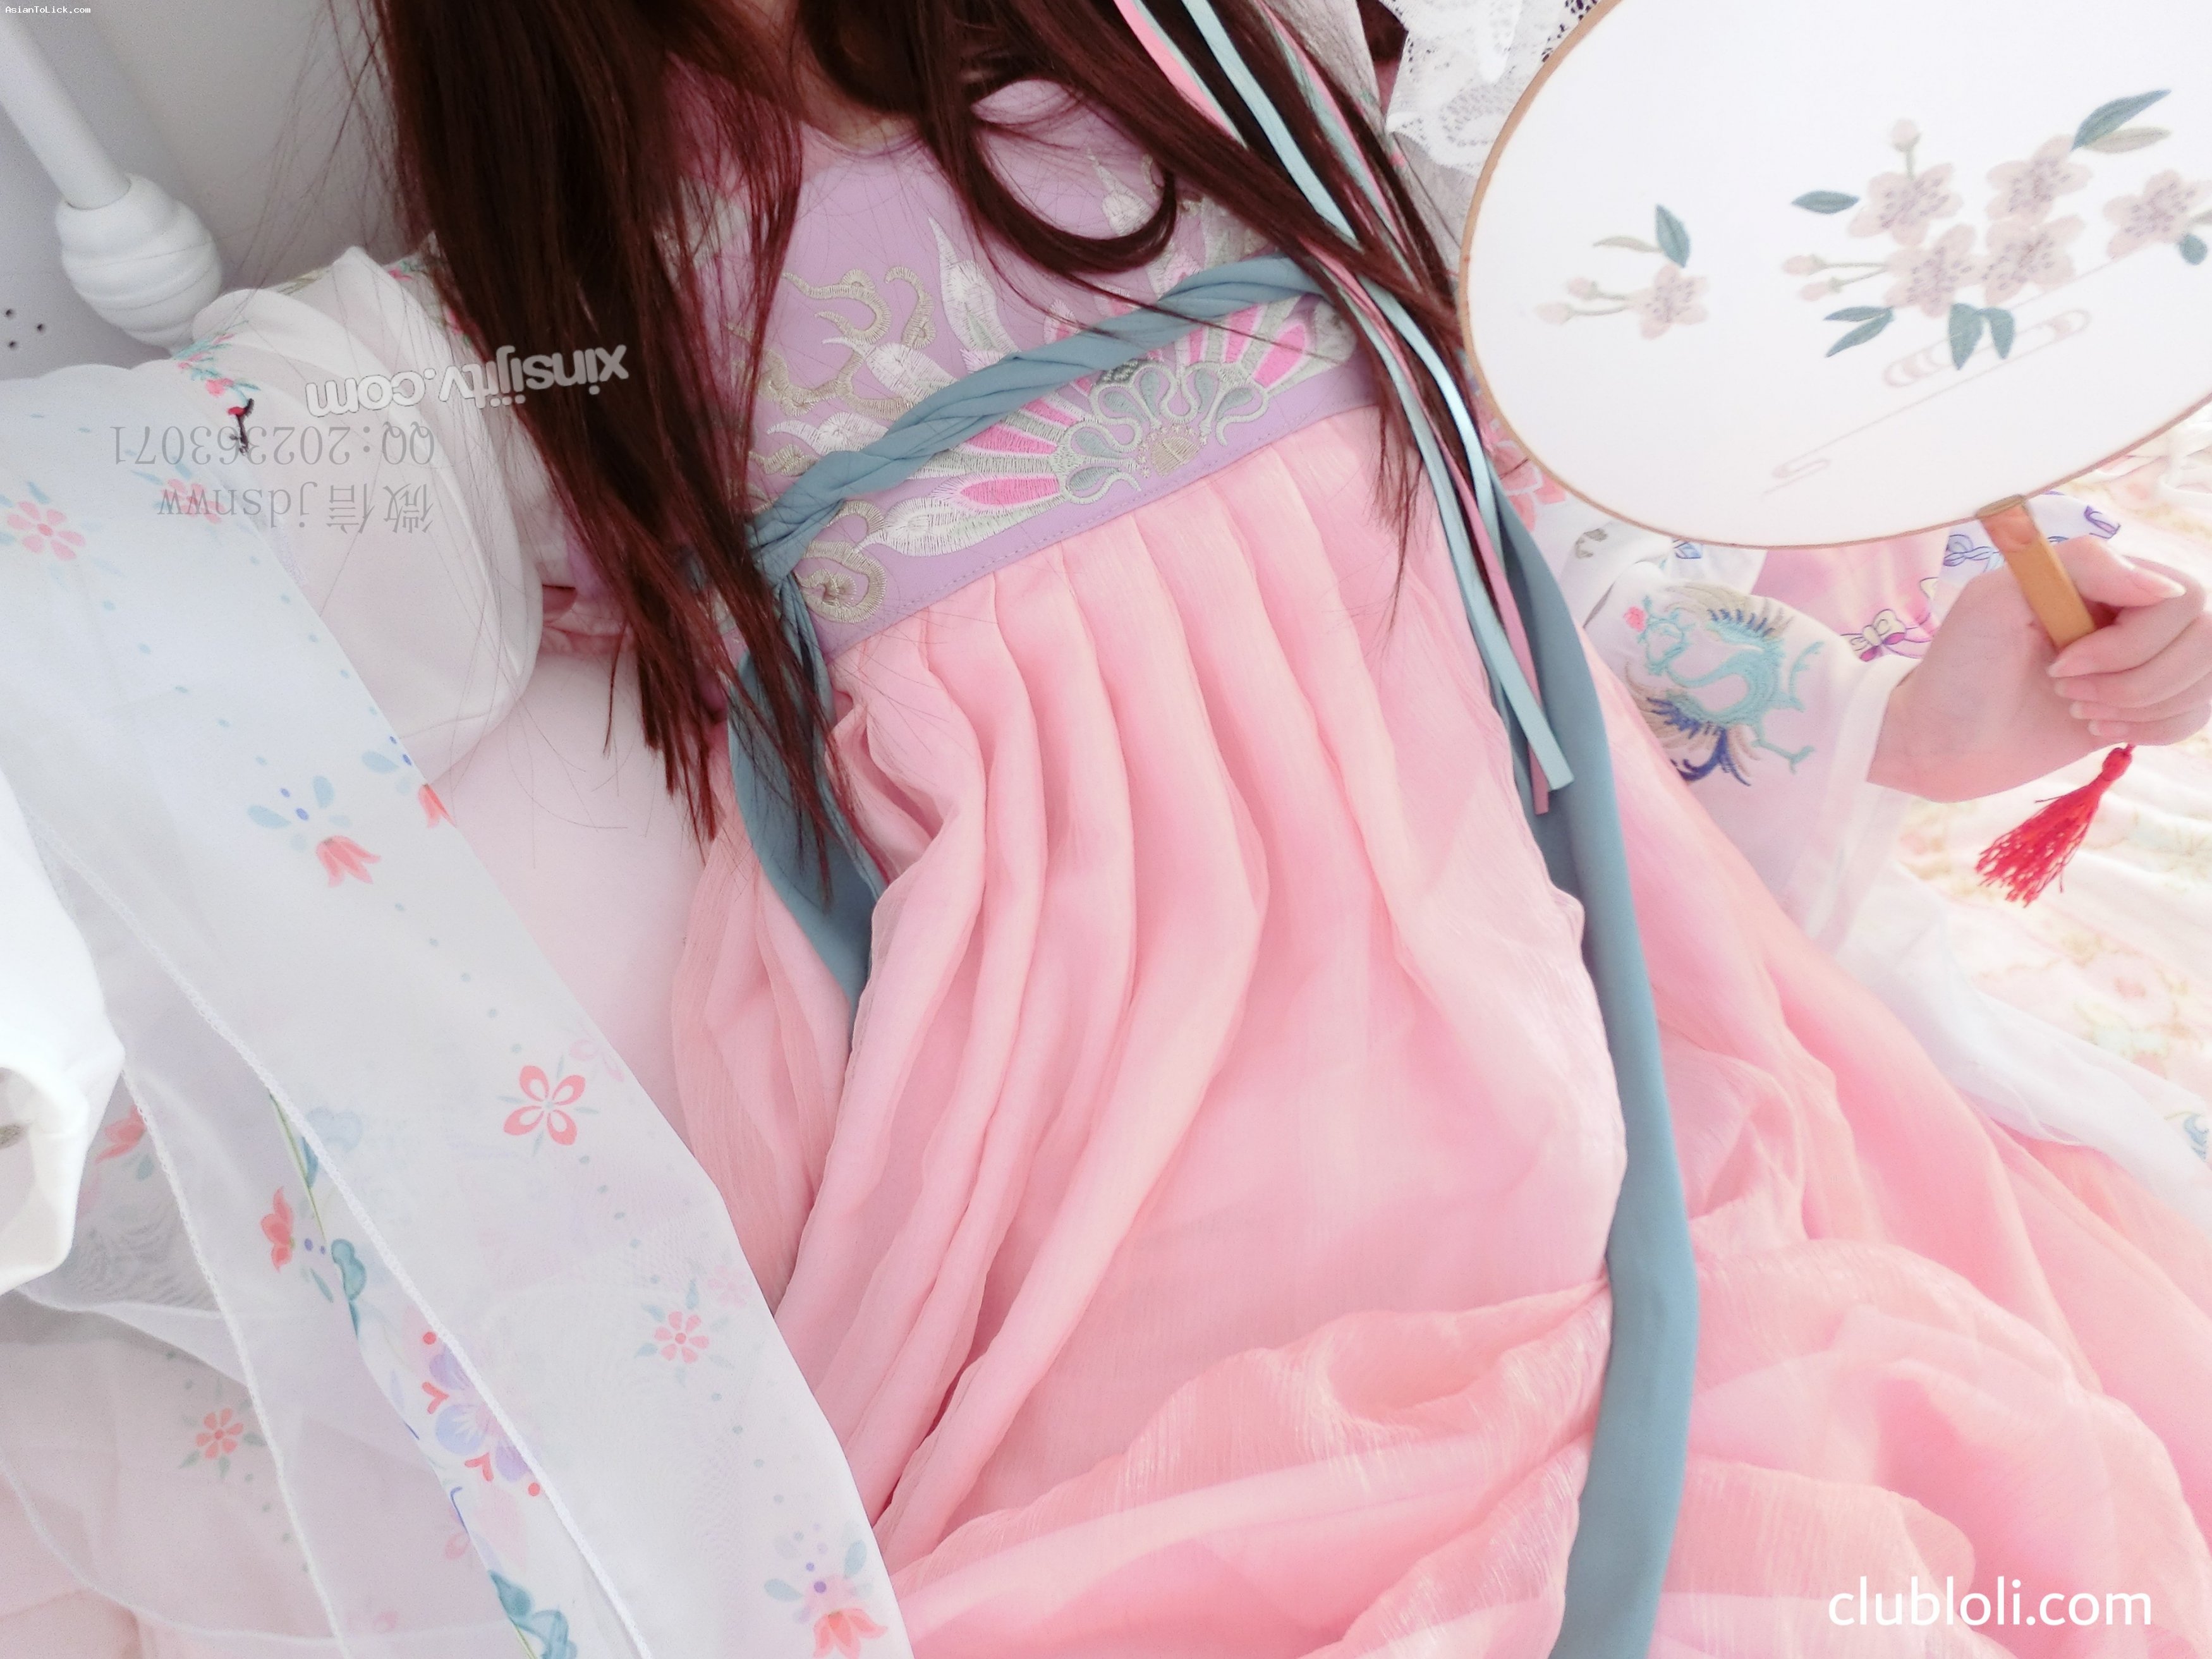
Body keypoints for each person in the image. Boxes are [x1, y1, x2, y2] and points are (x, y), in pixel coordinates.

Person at [6, 1, 2212, 1654]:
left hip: (1553, 1004)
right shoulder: (559, 335)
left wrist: (1905, 713)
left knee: (1799, 1444)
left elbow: (1540, 561)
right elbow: (151, 544)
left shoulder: (1247, 67)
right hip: (1090, 1136)